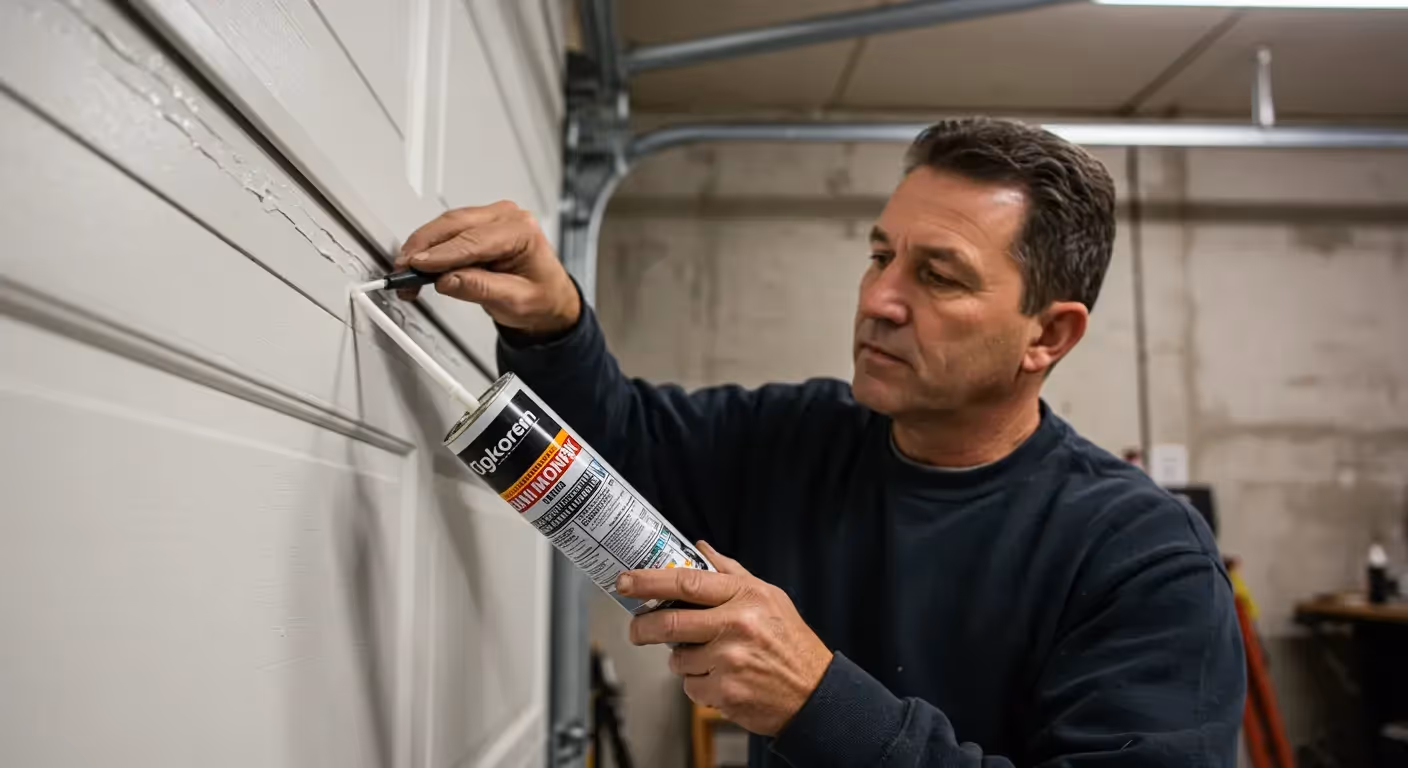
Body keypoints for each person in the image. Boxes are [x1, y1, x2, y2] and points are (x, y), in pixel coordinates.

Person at [395, 118, 1245, 766]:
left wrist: (819, 701)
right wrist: (552, 324)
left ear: (1048, 336)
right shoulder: (798, 438)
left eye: (938, 275)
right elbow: (613, 449)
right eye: (881, 256)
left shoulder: (1144, 559)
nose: (879, 299)